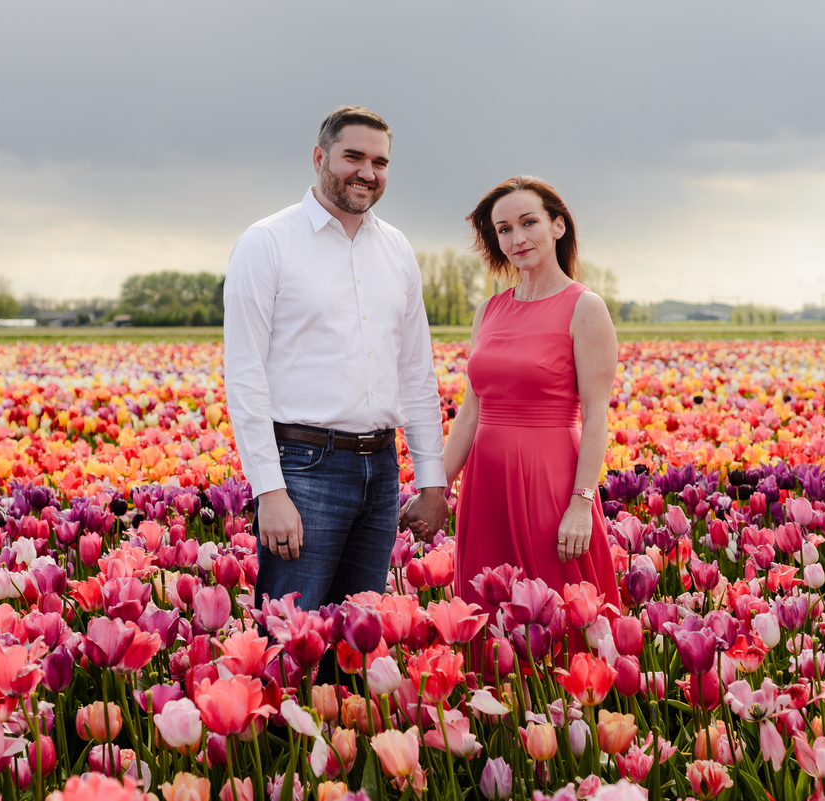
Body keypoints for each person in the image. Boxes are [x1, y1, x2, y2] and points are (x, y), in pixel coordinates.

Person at [223, 106, 449, 616]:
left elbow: (416, 373)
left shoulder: (396, 249)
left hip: (380, 465)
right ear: (320, 156)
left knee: (357, 637)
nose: (368, 172)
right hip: (305, 468)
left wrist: (432, 483)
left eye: (380, 162)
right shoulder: (267, 243)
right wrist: (270, 492)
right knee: (292, 635)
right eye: (354, 156)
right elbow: (244, 375)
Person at [440, 176, 621, 624]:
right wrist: (433, 486)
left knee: (553, 611)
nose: (516, 238)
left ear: (558, 226)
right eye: (503, 229)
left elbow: (597, 416)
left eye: (528, 223)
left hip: (550, 483)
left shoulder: (585, 307)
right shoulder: (488, 310)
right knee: (486, 612)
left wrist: (581, 502)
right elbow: (470, 411)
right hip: (486, 485)